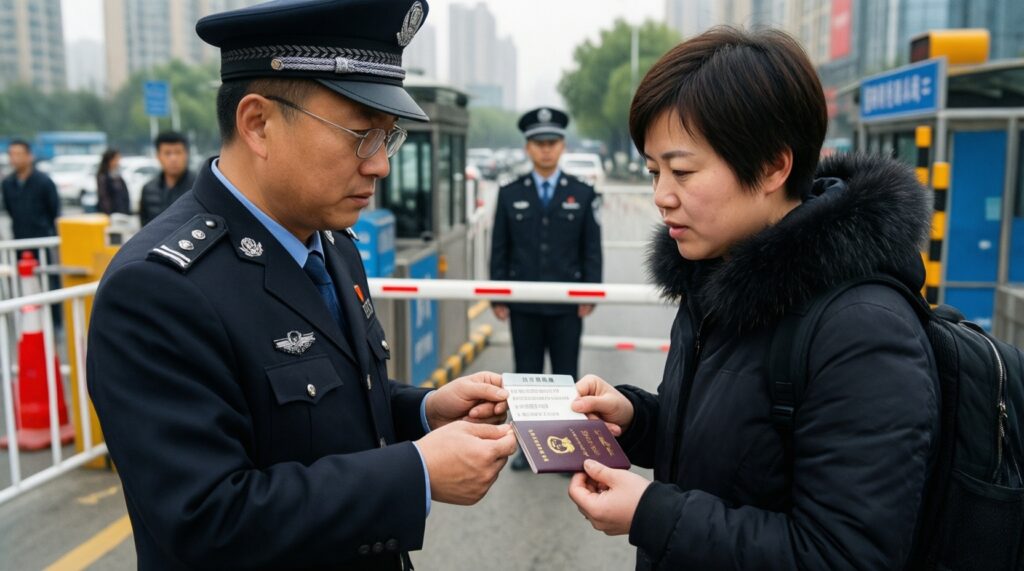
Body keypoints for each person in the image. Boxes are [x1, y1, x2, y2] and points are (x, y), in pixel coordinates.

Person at [87, 1, 517, 569]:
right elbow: (207, 518)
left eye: (389, 139)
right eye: (361, 135)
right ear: (258, 124)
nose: (379, 166)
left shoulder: (330, 241)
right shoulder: (157, 290)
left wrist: (424, 412)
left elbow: (336, 399)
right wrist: (414, 473)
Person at [566, 27, 941, 569]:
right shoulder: (717, 274)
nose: (661, 196)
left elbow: (844, 555)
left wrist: (652, 512)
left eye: (683, 171)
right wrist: (635, 419)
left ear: (772, 166)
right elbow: (733, 448)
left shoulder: (863, 330)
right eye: (653, 171)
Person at [489, 107, 602, 471]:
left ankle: (566, 449)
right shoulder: (509, 194)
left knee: (566, 376)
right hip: (524, 305)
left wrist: (590, 294)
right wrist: (498, 294)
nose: (546, 150)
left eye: (552, 143)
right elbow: (499, 249)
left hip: (567, 306)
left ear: (562, 146)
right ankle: (529, 447)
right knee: (525, 377)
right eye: (538, 143)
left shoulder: (582, 194)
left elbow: (591, 250)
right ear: (527, 148)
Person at [1, 140, 60, 241]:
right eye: (11, 154)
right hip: (19, 237)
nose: (15, 158)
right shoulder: (7, 183)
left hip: (42, 238)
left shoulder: (44, 181)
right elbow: (9, 209)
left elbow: (53, 210)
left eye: (19, 154)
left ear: (30, 156)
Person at [139, 131, 196, 226]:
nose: (173, 158)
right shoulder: (148, 189)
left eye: (178, 152)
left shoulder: (199, 186)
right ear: (158, 156)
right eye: (167, 153)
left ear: (186, 154)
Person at [96, 148, 131, 215]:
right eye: (117, 159)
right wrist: (109, 213)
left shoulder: (118, 175)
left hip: (122, 213)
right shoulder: (103, 176)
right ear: (110, 160)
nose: (118, 161)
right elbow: (103, 198)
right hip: (111, 214)